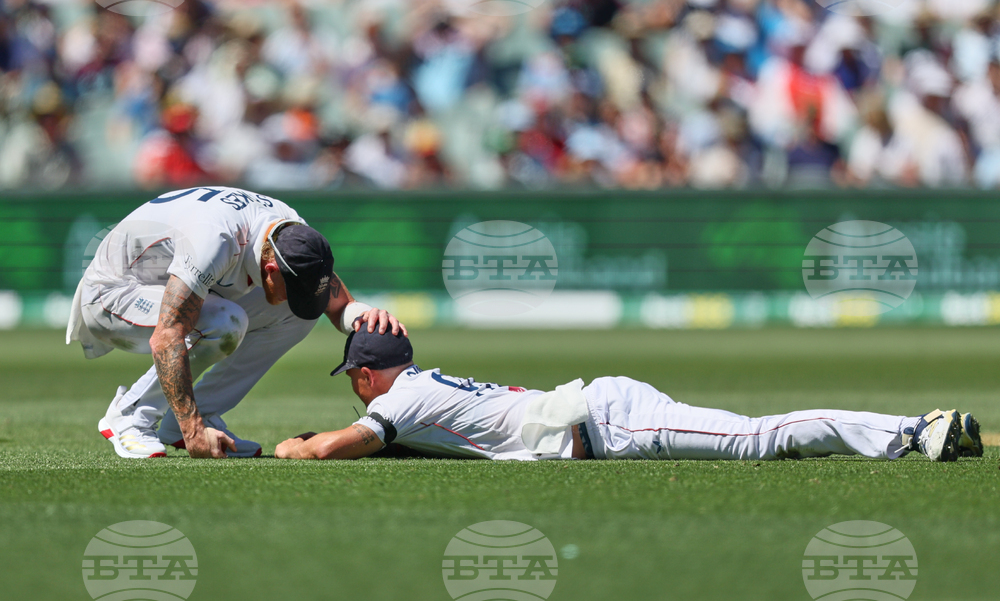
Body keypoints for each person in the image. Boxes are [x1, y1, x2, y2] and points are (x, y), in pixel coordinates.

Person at [276, 329, 983, 463]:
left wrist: (299, 447)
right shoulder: (422, 389)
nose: (356, 390)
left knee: (758, 438)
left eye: (355, 378)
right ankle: (912, 430)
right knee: (753, 435)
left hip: (612, 424)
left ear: (368, 375)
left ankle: (914, 431)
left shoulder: (397, 403)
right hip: (599, 412)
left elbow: (344, 446)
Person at [67, 186, 406, 459]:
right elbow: (167, 335)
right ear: (271, 271)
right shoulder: (215, 241)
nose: (294, 298)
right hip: (112, 292)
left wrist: (361, 315)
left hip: (167, 283)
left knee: (298, 316)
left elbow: (325, 291)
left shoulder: (288, 229)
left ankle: (195, 414)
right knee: (224, 322)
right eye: (292, 290)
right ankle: (131, 414)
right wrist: (194, 431)